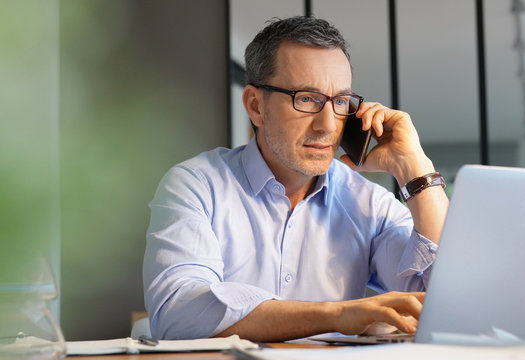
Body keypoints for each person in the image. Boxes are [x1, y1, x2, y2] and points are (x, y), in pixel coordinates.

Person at [143, 16, 449, 342]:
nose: (328, 125)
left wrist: (414, 169)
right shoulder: (196, 186)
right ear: (255, 105)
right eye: (306, 98)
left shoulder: (369, 205)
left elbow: (446, 302)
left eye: (341, 101)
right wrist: (338, 315)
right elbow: (178, 312)